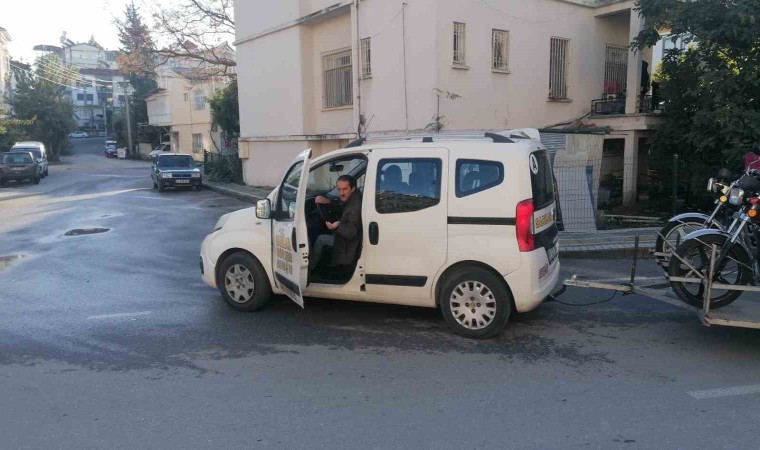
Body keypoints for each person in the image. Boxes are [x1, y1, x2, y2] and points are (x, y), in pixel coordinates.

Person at [309, 175, 362, 271]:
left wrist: (337, 226)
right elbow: (342, 205)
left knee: (321, 239)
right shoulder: (353, 198)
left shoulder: (355, 206)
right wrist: (328, 201)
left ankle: (310, 267)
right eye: (339, 189)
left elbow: (351, 232)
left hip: (349, 244)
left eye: (345, 189)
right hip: (348, 238)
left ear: (353, 188)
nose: (341, 193)